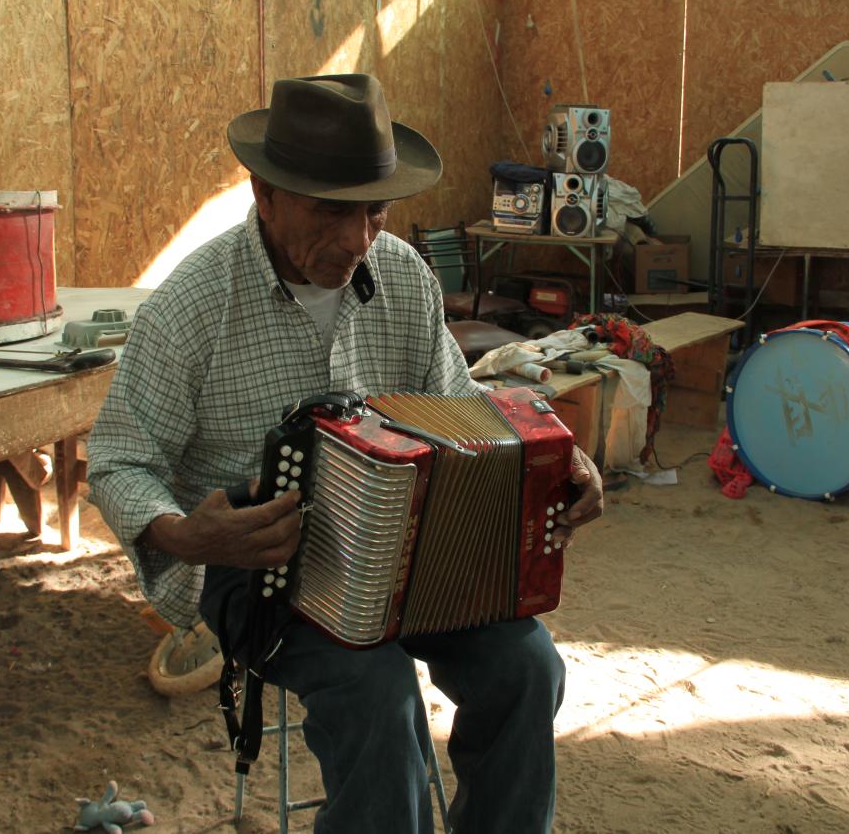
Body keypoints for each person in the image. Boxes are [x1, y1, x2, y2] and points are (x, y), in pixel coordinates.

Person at [87, 73, 603, 834]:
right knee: (376, 693)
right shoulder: (189, 306)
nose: (359, 240)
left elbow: (467, 410)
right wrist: (186, 534)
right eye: (333, 212)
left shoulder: (403, 277)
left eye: (375, 211)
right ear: (264, 193)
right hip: (261, 569)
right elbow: (117, 462)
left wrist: (556, 463)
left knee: (529, 669)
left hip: (413, 557)